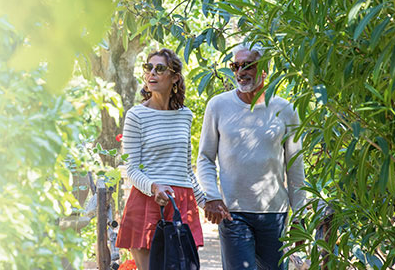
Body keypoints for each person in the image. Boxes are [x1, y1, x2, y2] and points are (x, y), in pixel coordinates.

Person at [196, 42, 307, 270]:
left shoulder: (285, 109)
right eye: (235, 66)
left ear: (264, 68)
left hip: (274, 214)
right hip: (232, 213)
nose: (240, 72)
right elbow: (205, 157)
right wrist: (212, 196)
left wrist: (300, 217)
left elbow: (295, 166)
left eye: (248, 65)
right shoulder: (217, 106)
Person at [116, 48, 206, 270]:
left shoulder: (185, 115)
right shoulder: (136, 115)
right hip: (148, 200)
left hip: (181, 202)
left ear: (175, 77)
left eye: (159, 68)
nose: (151, 73)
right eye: (148, 68)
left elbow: (185, 169)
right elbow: (133, 169)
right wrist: (154, 186)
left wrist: (207, 202)